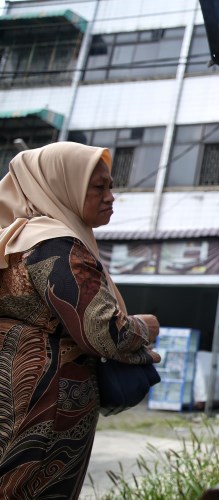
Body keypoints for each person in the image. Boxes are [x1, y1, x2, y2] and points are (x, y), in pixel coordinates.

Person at [0, 142, 161, 498]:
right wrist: (146, 327)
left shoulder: (14, 240)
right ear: (64, 185)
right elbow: (105, 333)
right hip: (46, 406)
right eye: (99, 187)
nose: (111, 197)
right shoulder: (56, 244)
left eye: (111, 186)